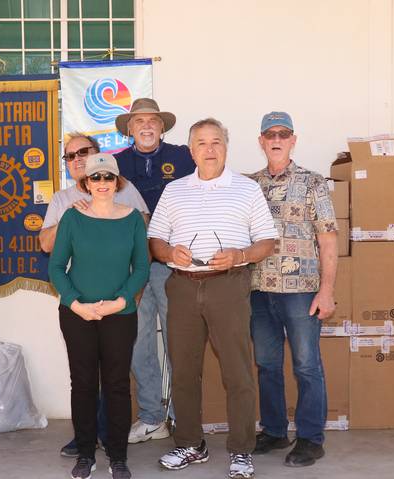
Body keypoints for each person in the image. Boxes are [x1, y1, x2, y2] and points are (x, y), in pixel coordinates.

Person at [148, 118, 278, 479]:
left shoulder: (246, 189)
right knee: (184, 369)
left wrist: (240, 255)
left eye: (216, 142)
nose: (209, 149)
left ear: (227, 147)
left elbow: (267, 240)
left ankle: (240, 450)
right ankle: (191, 444)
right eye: (202, 143)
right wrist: (169, 252)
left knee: (237, 370)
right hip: (183, 286)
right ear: (191, 151)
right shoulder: (174, 191)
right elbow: (155, 240)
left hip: (228, 284)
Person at [40, 133, 149, 458]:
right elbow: (56, 265)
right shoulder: (69, 214)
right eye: (95, 177)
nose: (102, 182)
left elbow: (141, 268)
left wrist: (121, 301)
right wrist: (77, 304)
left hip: (120, 311)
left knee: (116, 385)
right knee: (84, 384)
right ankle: (86, 451)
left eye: (108, 176)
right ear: (86, 182)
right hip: (77, 311)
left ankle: (117, 454)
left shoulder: (131, 217)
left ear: (117, 182)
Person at [248, 111, 338, 467]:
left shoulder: (313, 182)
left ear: (293, 140)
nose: (276, 138)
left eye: (283, 133)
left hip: (302, 290)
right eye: (270, 133)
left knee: (306, 365)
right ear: (260, 140)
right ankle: (273, 430)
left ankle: (311, 438)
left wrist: (326, 290)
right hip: (258, 289)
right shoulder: (248, 184)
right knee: (267, 364)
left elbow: (328, 240)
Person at [113, 98, 196, 444]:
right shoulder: (115, 164)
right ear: (129, 128)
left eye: (152, 121)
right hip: (130, 268)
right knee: (137, 342)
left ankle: (181, 415)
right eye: (139, 121)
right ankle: (151, 416)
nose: (146, 126)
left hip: (172, 265)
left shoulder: (182, 157)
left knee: (180, 341)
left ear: (162, 127)